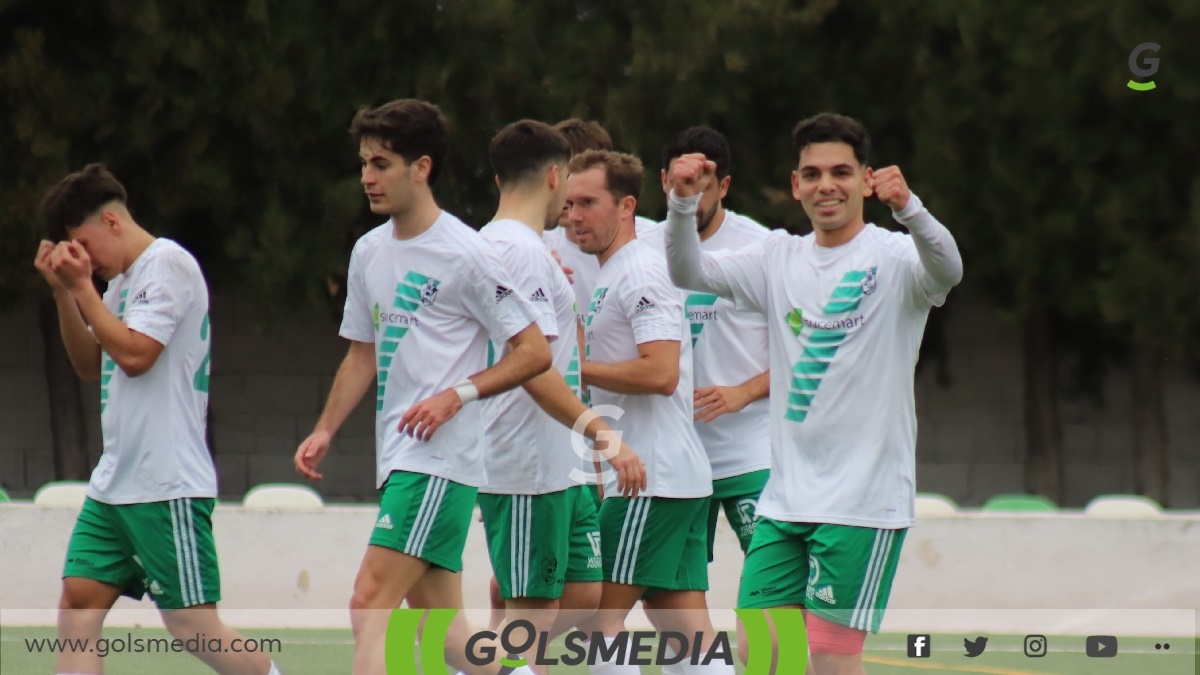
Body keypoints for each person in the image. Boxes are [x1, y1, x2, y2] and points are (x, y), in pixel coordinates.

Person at [664, 113, 963, 675]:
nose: (827, 184)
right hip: (786, 501)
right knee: (758, 650)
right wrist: (682, 205)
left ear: (866, 179)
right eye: (813, 173)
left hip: (863, 503)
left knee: (826, 659)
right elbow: (687, 271)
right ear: (795, 184)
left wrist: (910, 208)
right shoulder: (778, 256)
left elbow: (949, 269)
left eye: (841, 172)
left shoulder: (896, 257)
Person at [292, 99, 552, 675]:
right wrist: (324, 429)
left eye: (381, 163)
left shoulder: (468, 252)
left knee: (369, 605)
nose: (366, 177)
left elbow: (533, 353)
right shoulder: (369, 251)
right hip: (402, 460)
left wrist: (457, 395)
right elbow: (363, 354)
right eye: (363, 163)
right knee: (448, 640)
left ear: (422, 167)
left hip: (439, 462)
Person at [34, 164, 284, 675]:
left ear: (111, 221)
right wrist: (65, 291)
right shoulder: (119, 281)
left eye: (82, 244)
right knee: (77, 606)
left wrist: (83, 289)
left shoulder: (166, 264)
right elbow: (89, 365)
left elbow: (135, 355)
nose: (83, 260)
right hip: (115, 484)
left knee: (193, 627)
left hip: (164, 484)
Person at [475, 119, 646, 672]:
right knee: (529, 619)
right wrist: (603, 433)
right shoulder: (515, 251)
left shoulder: (527, 250)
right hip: (524, 459)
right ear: (555, 175)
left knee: (574, 603)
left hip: (555, 460)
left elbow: (559, 357)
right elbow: (530, 367)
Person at [567, 150, 730, 675]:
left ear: (627, 205)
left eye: (589, 202)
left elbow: (661, 373)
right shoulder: (615, 271)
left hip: (648, 481)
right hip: (671, 479)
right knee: (687, 636)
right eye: (568, 203)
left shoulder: (640, 270)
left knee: (596, 622)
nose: (574, 215)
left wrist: (574, 370)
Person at [660, 127, 772, 566]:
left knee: (774, 576)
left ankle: (780, 641)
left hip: (752, 452)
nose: (690, 197)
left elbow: (805, 352)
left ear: (723, 186)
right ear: (664, 181)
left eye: (701, 188)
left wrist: (743, 392)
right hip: (676, 459)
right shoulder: (649, 249)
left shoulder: (763, 249)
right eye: (678, 185)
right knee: (669, 589)